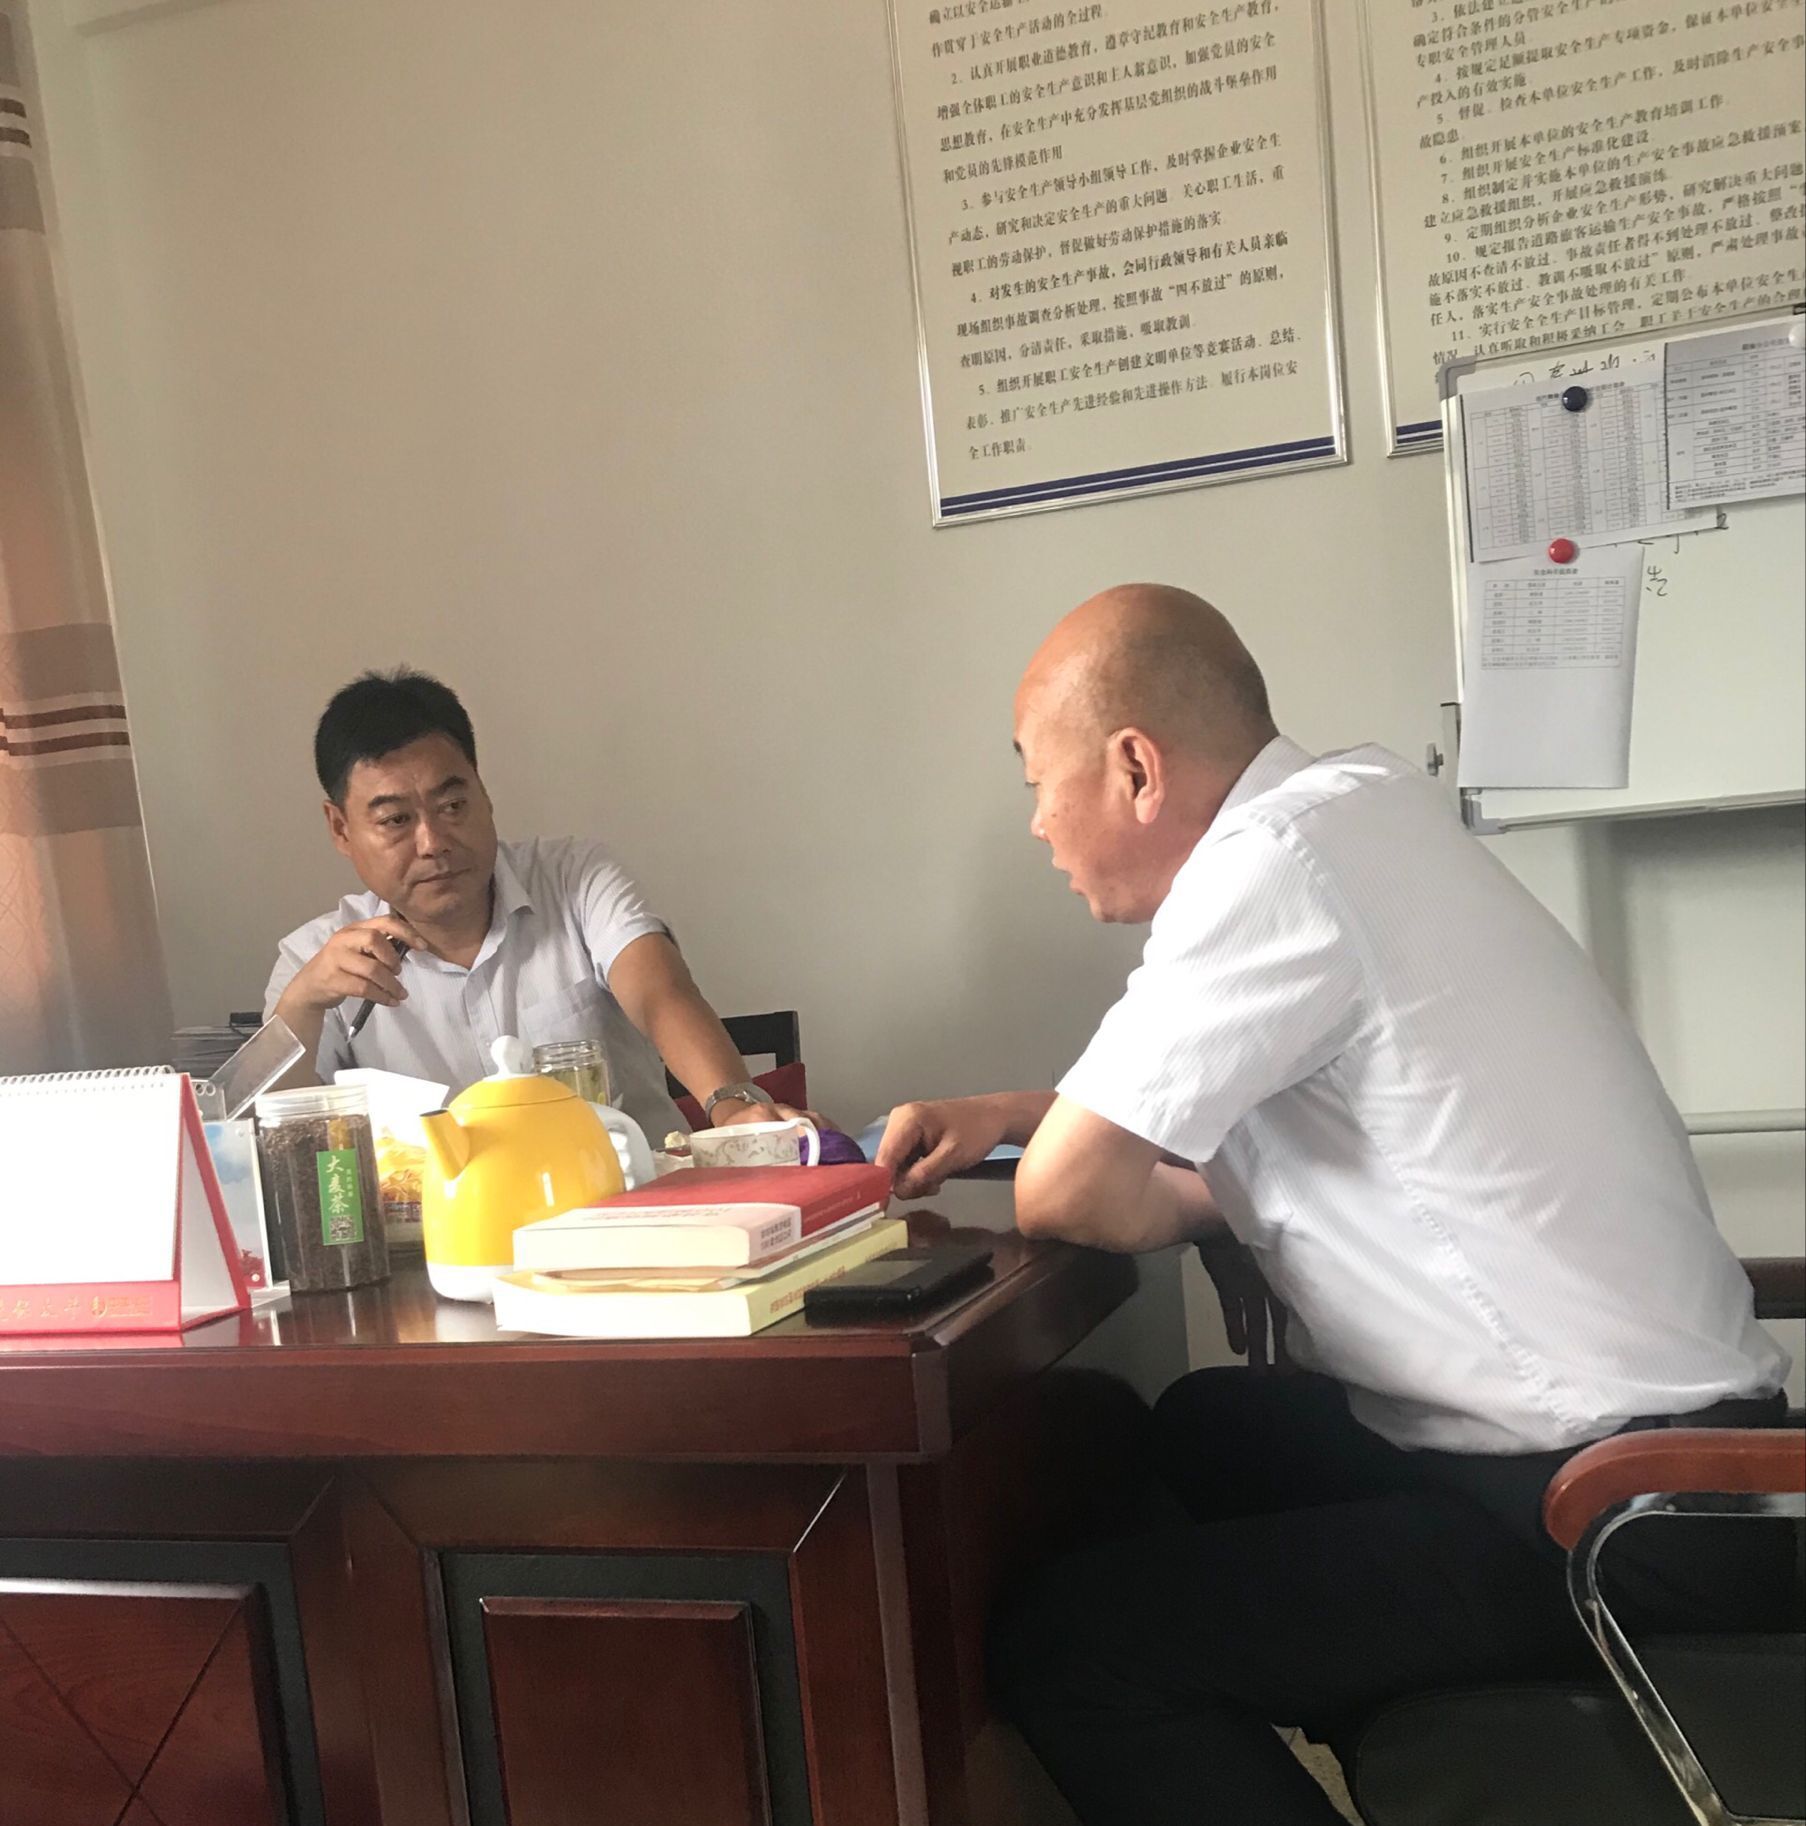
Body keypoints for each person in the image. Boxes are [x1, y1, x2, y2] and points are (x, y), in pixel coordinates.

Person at [876, 584, 1791, 1826]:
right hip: (1668, 1474)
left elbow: (1071, 1191)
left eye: (1041, 781)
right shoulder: (1359, 807)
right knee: (1206, 1426)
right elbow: (1253, 1148)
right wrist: (1016, 1107)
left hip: (1609, 1518)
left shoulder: (1270, 868)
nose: (1038, 823)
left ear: (1136, 766)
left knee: (1074, 1645)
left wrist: (1080, 1153)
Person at [266, 669, 800, 1143]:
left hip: (636, 1204)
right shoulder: (314, 964)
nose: (432, 842)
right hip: (444, 1223)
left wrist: (734, 1106)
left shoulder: (574, 877)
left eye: (453, 805)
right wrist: (303, 1007)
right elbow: (271, 1138)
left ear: (484, 794)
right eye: (395, 820)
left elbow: (661, 994)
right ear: (341, 828)